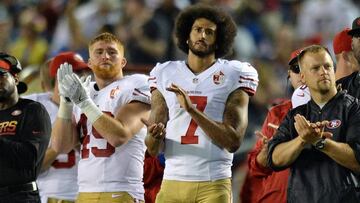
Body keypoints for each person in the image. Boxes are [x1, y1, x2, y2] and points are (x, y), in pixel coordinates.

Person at [143, 4, 258, 203]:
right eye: (197, 30)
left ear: (218, 41)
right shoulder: (165, 72)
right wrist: (154, 136)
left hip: (213, 182)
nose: (202, 36)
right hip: (172, 180)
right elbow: (153, 148)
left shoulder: (234, 73)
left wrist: (191, 110)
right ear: (186, 36)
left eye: (209, 32)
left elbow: (233, 141)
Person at [51, 32, 151, 203]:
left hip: (121, 190)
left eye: (112, 52)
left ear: (123, 61)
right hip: (84, 191)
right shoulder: (82, 89)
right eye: (99, 52)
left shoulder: (136, 83)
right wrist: (66, 104)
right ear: (89, 63)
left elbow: (119, 136)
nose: (105, 56)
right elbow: (61, 147)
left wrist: (85, 103)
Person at [267, 45, 360, 202]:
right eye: (315, 68)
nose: (323, 71)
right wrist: (302, 140)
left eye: (327, 66)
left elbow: (357, 161)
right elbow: (275, 159)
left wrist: (319, 142)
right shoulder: (296, 115)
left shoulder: (354, 108)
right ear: (302, 77)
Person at [240, 48, 309, 203]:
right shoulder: (277, 113)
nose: (303, 75)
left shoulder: (344, 109)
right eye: (297, 69)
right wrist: (263, 156)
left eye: (312, 67)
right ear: (289, 76)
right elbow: (255, 168)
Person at [23, 52, 91, 203]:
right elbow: (27, 169)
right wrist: (60, 143)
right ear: (60, 76)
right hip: (51, 195)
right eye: (76, 72)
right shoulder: (33, 107)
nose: (83, 77)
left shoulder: (91, 104)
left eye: (82, 72)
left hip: (89, 194)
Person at [0, 52, 51, 202]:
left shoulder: (32, 110)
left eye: (1, 75)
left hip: (20, 196)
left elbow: (30, 159)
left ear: (15, 78)